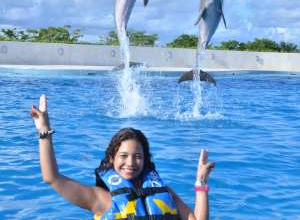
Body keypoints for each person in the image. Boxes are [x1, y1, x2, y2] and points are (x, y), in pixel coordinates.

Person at [31, 94, 215, 220]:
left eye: (137, 156)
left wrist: (201, 183)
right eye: (124, 156)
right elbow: (52, 178)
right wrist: (44, 133)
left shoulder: (164, 192)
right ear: (112, 157)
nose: (130, 163)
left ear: (145, 159)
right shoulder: (101, 199)